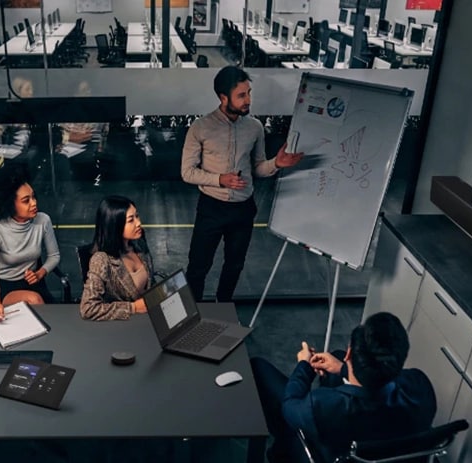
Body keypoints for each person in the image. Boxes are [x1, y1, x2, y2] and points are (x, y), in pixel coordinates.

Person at [181, 65, 303, 302]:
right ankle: (192, 317)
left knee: (235, 265)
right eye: (241, 95)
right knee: (198, 266)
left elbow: (257, 168)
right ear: (223, 97)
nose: (248, 100)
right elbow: (187, 172)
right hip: (211, 208)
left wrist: (276, 163)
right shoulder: (201, 128)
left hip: (243, 210)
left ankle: (223, 307)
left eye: (249, 93)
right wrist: (220, 180)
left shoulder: (254, 127)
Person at [251, 312, 437, 463]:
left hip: (328, 453)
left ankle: (280, 453)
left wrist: (304, 366)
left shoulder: (321, 407)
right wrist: (342, 369)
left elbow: (290, 405)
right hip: (389, 450)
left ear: (350, 354)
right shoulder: (420, 386)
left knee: (259, 368)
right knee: (334, 356)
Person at [0, 165, 60, 321]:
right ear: (10, 204)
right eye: (26, 201)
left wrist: (40, 273)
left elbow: (54, 256)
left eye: (33, 196)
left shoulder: (43, 220)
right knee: (36, 302)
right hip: (6, 287)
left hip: (35, 283)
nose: (34, 203)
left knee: (52, 317)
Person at [80, 195, 155, 321]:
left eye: (137, 216)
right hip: (125, 324)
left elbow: (150, 283)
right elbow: (88, 308)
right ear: (115, 225)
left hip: (149, 317)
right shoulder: (101, 260)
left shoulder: (139, 243)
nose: (139, 223)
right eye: (131, 220)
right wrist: (133, 307)